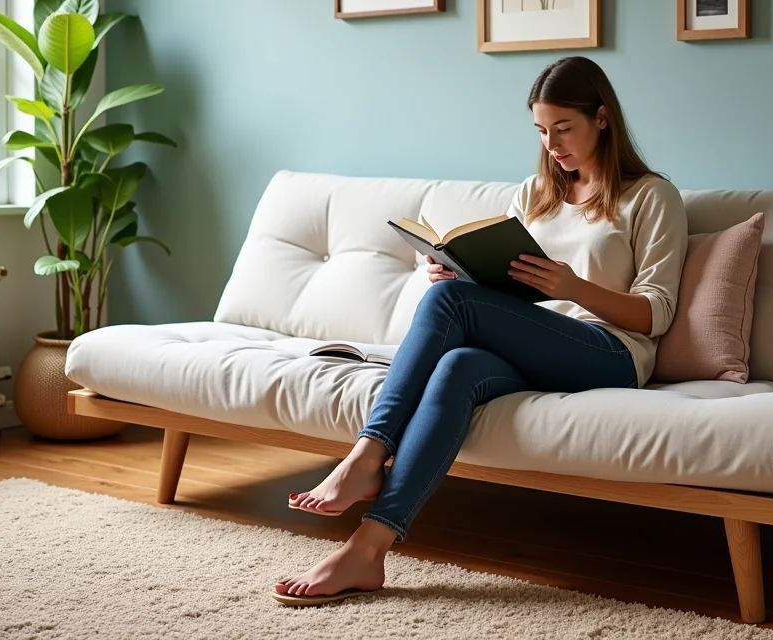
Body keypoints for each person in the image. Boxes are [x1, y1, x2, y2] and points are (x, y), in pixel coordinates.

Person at [273, 55, 689, 606]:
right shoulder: (534, 195)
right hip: (531, 343)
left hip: (608, 351)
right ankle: (368, 550)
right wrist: (461, 272)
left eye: (564, 128)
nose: (552, 145)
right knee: (457, 365)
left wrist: (573, 287)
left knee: (451, 303)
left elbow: (656, 313)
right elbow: (508, 293)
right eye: (541, 131)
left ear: (603, 118)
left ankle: (366, 455)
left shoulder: (651, 196)